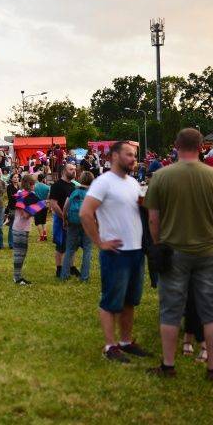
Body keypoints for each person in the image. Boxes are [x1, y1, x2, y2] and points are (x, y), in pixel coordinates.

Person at [143, 129, 213, 382]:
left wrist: (157, 244)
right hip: (209, 252)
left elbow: (153, 218)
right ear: (201, 146)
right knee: (211, 311)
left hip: (173, 251)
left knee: (171, 310)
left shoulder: (161, 177)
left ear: (176, 146)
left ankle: (168, 365)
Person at [79, 141, 149, 363]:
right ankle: (110, 346)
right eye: (128, 154)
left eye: (135, 155)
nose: (133, 159)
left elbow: (141, 209)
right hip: (115, 253)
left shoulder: (133, 183)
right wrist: (99, 242)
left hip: (136, 251)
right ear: (114, 156)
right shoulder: (103, 182)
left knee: (130, 300)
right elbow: (85, 213)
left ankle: (126, 341)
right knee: (111, 301)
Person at [60, 171, 94, 281]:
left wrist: (64, 219)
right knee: (87, 250)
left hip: (73, 222)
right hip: (88, 223)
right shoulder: (93, 193)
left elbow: (66, 207)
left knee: (69, 249)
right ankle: (84, 277)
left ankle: (64, 275)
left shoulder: (74, 191)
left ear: (81, 179)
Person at [12, 175, 44, 285]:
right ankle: (17, 278)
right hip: (20, 228)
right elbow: (25, 214)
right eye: (33, 184)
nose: (35, 186)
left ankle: (18, 276)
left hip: (22, 228)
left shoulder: (24, 194)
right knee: (19, 253)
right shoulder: (22, 195)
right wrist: (39, 206)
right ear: (30, 184)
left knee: (22, 253)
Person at [49, 163, 79, 278]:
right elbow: (53, 204)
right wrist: (63, 217)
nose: (74, 171)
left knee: (72, 245)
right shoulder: (56, 185)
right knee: (60, 245)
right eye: (71, 169)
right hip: (60, 219)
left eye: (75, 169)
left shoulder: (73, 186)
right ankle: (59, 268)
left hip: (72, 220)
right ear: (64, 171)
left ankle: (71, 267)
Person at [33, 172, 50, 242]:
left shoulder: (35, 186)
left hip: (37, 204)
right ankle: (45, 235)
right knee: (43, 221)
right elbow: (49, 195)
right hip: (45, 204)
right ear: (43, 179)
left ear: (38, 179)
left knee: (38, 221)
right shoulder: (47, 187)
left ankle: (41, 236)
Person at [5, 172, 20, 248]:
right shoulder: (9, 187)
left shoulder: (19, 187)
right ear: (11, 179)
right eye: (14, 177)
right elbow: (11, 197)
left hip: (20, 208)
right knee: (12, 226)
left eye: (17, 177)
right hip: (12, 208)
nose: (16, 178)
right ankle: (11, 243)